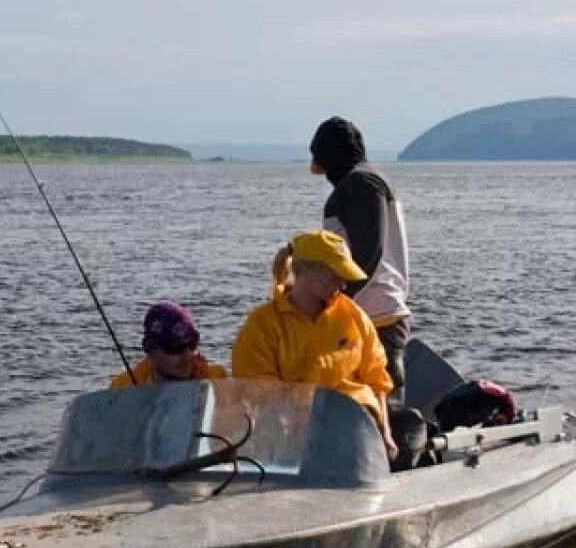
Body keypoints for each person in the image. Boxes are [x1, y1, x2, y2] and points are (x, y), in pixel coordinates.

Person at [232, 230, 398, 460]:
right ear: (308, 273)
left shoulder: (353, 315)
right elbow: (257, 392)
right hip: (295, 441)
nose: (342, 283)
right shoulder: (262, 325)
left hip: (357, 432)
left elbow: (377, 381)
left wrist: (386, 435)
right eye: (335, 275)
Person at [309, 117, 410, 399]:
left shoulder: (360, 183)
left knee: (380, 400)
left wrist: (333, 298)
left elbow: (368, 251)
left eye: (325, 164)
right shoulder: (366, 181)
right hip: (374, 311)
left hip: (375, 313)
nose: (325, 175)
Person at [110, 301, 228, 388]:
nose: (187, 355)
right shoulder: (122, 388)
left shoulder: (217, 378)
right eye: (175, 348)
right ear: (151, 351)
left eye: (192, 344)